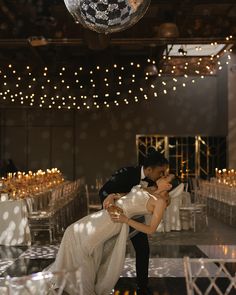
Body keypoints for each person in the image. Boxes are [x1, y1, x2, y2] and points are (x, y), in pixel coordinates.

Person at [50, 174, 174, 295]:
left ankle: (81, 289)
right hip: (107, 213)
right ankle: (69, 280)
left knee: (80, 241)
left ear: (168, 186)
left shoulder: (160, 202)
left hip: (114, 220)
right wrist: (113, 196)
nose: (162, 176)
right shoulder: (150, 188)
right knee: (73, 233)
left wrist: (126, 220)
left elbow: (151, 229)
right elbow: (129, 197)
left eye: (165, 177)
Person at [98, 151, 170, 295]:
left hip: (135, 219)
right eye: (160, 172)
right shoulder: (127, 173)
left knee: (143, 249)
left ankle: (142, 287)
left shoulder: (153, 181)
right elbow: (104, 190)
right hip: (115, 217)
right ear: (149, 169)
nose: (162, 176)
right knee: (107, 252)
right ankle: (101, 282)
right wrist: (111, 199)